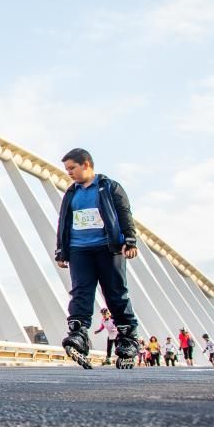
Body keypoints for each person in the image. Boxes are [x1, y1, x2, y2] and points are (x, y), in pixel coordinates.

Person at [53, 148, 141, 369]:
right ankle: (78, 334)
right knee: (80, 291)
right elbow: (63, 222)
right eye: (67, 169)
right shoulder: (71, 193)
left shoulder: (109, 187)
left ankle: (128, 339)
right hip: (79, 249)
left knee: (115, 292)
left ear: (86, 164)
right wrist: (61, 251)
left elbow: (124, 213)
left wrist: (130, 240)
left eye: (72, 168)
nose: (69, 173)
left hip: (108, 248)